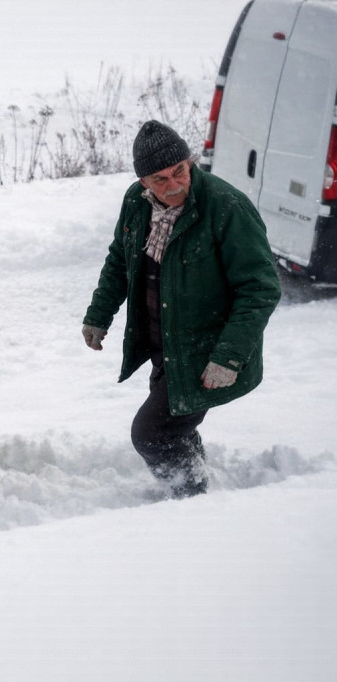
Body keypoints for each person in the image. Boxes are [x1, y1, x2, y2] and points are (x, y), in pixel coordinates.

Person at [82, 120, 281, 498]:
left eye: (179, 172)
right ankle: (195, 480)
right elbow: (119, 261)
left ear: (190, 164)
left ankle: (192, 499)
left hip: (204, 353)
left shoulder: (226, 207)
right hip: (166, 346)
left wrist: (228, 357)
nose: (172, 185)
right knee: (174, 425)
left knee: (151, 433)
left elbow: (261, 288)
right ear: (143, 181)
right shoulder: (135, 203)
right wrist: (98, 314)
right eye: (159, 179)